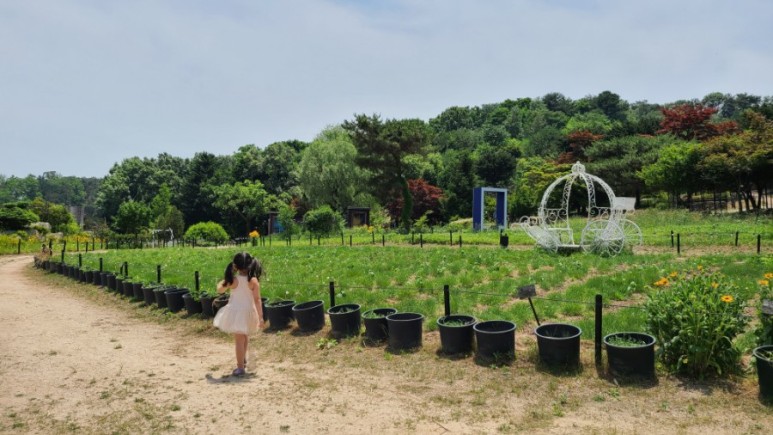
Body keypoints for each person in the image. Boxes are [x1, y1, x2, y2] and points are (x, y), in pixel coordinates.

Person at [213, 252, 265, 376]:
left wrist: (227, 278)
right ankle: (243, 360)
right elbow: (258, 300)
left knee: (239, 340)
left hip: (236, 313)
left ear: (235, 266)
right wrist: (261, 317)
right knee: (244, 336)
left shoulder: (233, 281)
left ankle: (240, 367)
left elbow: (219, 289)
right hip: (248, 313)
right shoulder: (253, 281)